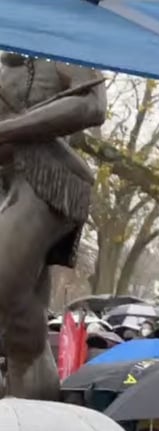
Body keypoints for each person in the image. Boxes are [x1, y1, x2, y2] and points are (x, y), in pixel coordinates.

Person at [0, 54, 106, 400]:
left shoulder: (57, 46)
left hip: (44, 179)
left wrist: (10, 129)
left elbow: (92, 104)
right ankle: (33, 413)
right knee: (21, 323)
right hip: (5, 183)